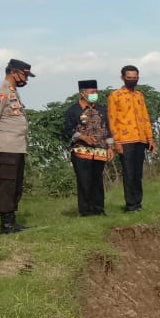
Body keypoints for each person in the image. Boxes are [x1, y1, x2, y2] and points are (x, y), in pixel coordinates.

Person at [0, 58, 34, 234]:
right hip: (6, 146)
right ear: (13, 72)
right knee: (7, 184)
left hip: (17, 146)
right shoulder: (0, 91)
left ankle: (12, 221)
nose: (26, 79)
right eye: (25, 75)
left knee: (16, 184)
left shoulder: (13, 92)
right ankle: (6, 225)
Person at [106, 64, 156, 212]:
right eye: (129, 78)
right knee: (128, 173)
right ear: (122, 78)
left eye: (135, 78)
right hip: (124, 140)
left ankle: (138, 203)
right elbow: (112, 119)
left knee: (138, 173)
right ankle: (130, 205)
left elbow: (145, 117)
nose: (132, 80)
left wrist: (150, 138)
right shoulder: (115, 95)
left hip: (140, 139)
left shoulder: (140, 95)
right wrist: (117, 142)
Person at [63, 80, 115, 216]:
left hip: (100, 150)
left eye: (96, 92)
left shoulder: (102, 109)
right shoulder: (72, 111)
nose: (95, 94)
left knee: (97, 180)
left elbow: (108, 129)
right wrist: (83, 137)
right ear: (83, 93)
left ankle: (99, 210)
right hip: (81, 151)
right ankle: (85, 212)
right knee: (84, 181)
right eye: (92, 92)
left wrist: (110, 147)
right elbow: (68, 130)